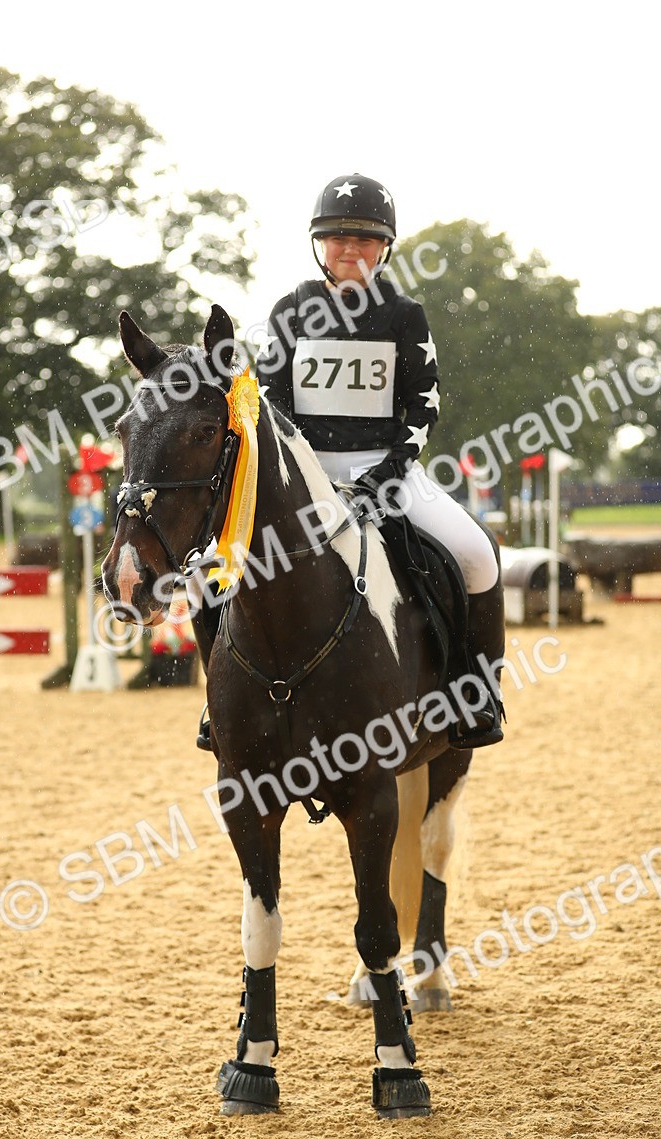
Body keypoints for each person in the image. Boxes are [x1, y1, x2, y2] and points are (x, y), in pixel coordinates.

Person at [254, 172, 504, 749]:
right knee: (222, 571)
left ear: (385, 247)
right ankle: (220, 704)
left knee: (476, 555)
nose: (349, 250)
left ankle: (475, 691)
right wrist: (305, 473)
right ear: (318, 245)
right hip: (305, 474)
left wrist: (386, 475)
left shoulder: (404, 314)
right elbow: (272, 402)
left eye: (364, 239)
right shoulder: (290, 310)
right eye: (336, 238)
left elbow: (423, 405)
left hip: (389, 472)